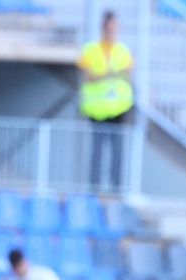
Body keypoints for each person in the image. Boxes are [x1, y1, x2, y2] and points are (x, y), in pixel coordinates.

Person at [77, 10, 133, 191]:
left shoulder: (122, 51)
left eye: (115, 27)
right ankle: (95, 187)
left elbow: (128, 75)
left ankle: (116, 188)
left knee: (117, 151)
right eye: (110, 27)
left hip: (119, 108)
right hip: (97, 109)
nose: (112, 31)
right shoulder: (91, 50)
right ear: (103, 27)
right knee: (97, 150)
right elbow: (87, 77)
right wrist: (107, 75)